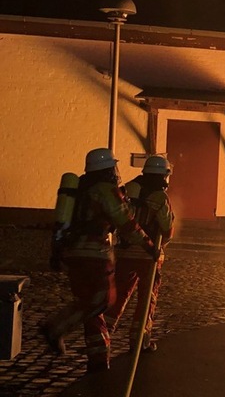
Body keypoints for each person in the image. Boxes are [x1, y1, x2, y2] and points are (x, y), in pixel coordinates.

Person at [40, 148, 157, 373]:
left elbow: (63, 223)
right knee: (103, 299)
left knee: (91, 303)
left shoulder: (81, 189)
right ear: (106, 169)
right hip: (94, 254)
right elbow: (127, 223)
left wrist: (56, 252)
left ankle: (98, 359)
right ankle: (56, 327)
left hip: (72, 253)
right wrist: (149, 245)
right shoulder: (105, 190)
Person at [105, 155, 174, 353]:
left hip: (124, 253)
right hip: (148, 255)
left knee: (118, 295)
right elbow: (167, 229)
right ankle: (139, 341)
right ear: (164, 175)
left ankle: (105, 334)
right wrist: (160, 247)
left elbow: (117, 218)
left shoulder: (128, 188)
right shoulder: (160, 197)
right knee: (147, 299)